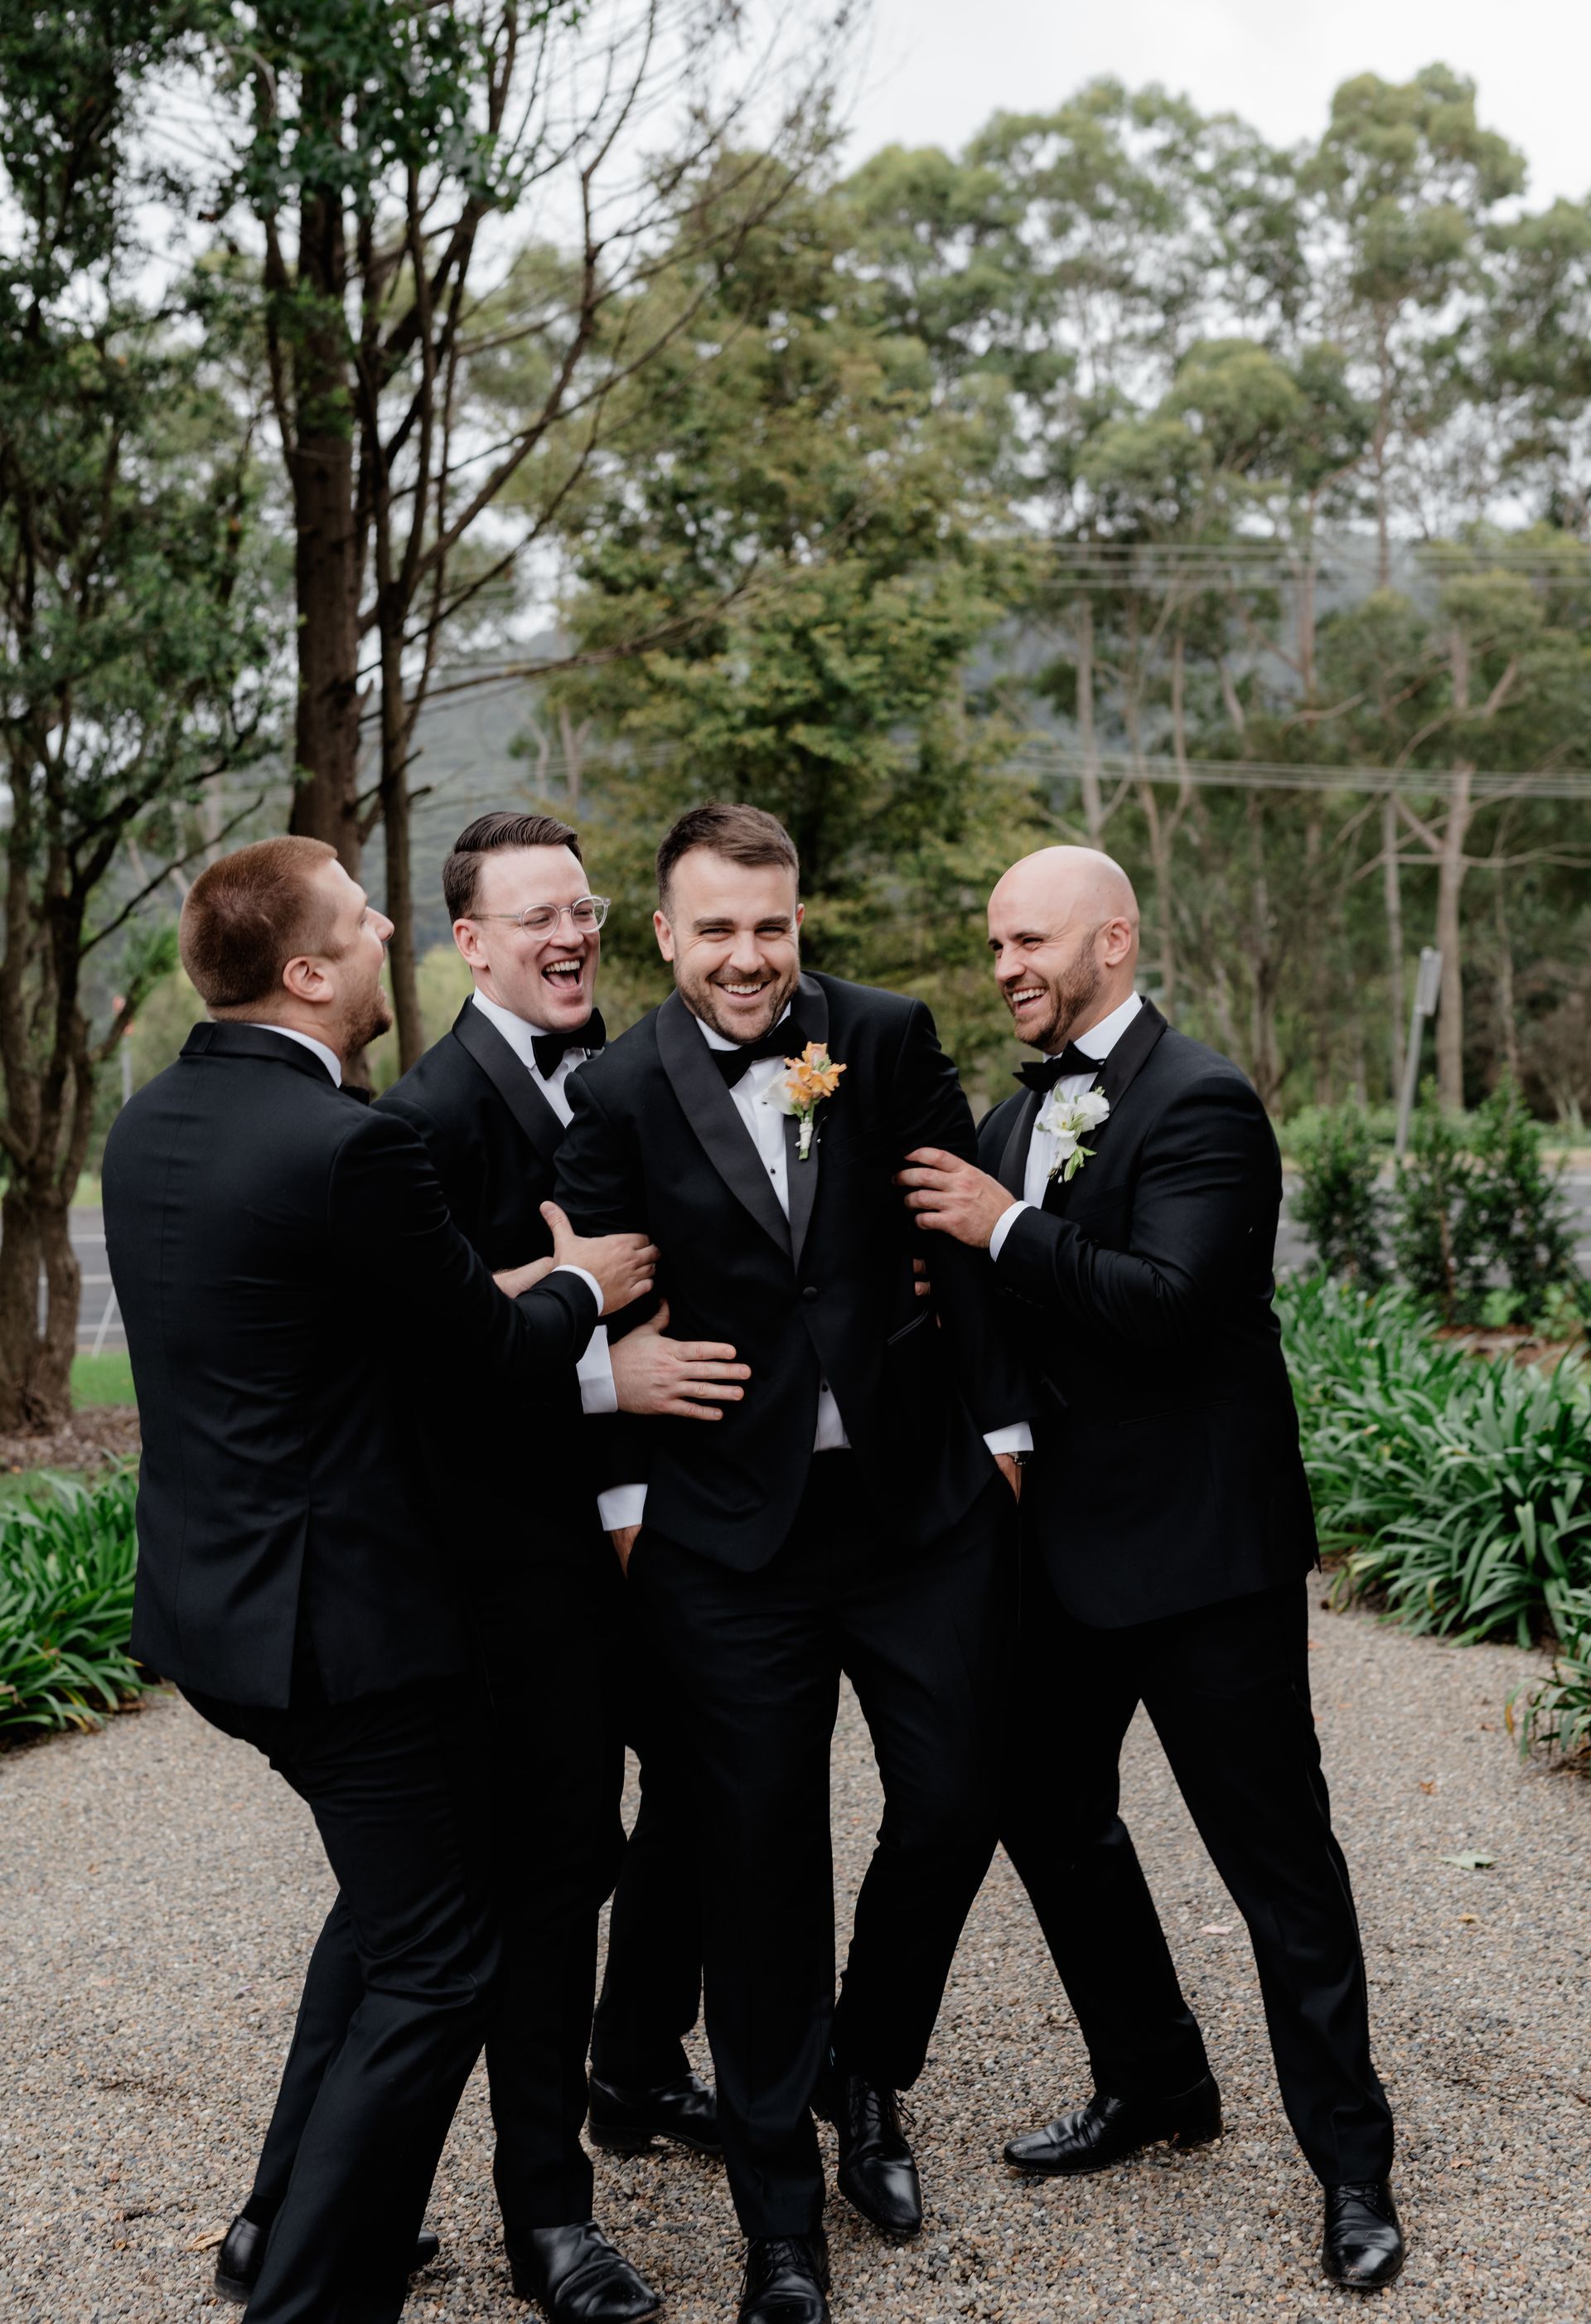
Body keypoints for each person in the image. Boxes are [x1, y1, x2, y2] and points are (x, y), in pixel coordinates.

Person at [103, 836, 655, 2324]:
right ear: (307, 970)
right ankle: (306, 2292)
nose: (383, 930)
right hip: (346, 1629)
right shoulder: (357, 1142)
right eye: (361, 921)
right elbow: (475, 1367)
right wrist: (587, 1298)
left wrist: (521, 1290)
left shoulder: (153, 1125)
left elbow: (348, 1322)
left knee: (399, 1915)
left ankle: (282, 2222)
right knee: (437, 1966)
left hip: (219, 1611)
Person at [231, 811, 734, 2324]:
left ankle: (616, 2073)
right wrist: (607, 1383)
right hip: (502, 1583)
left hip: (660, 1546)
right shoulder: (422, 1124)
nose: (570, 936)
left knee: (634, 1829)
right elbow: (418, 1385)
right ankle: (550, 2222)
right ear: (471, 947)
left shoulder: (644, 1079)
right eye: (535, 919)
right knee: (532, 1886)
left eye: (583, 908)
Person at [896, 844, 1404, 2294]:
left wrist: (1002, 1229)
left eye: (1030, 942)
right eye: (995, 944)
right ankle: (1159, 2079)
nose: (1006, 968)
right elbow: (995, 1308)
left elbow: (1175, 1308)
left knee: (1278, 1866)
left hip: (1200, 1560)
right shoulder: (1010, 1113)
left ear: (1111, 940)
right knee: (1046, 1815)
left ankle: (1353, 2169)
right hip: (1053, 1562)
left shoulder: (1204, 1103)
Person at [555, 804, 1030, 2324]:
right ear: (667, 936)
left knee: (958, 1799)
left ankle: (866, 2068)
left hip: (911, 1511)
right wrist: (626, 1487)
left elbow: (954, 1238)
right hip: (723, 1539)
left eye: (773, 928)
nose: (749, 958)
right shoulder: (616, 1089)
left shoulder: (884, 1037)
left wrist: (1003, 1425)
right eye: (718, 932)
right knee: (760, 1868)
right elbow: (597, 1301)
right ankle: (782, 2224)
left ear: (798, 922)